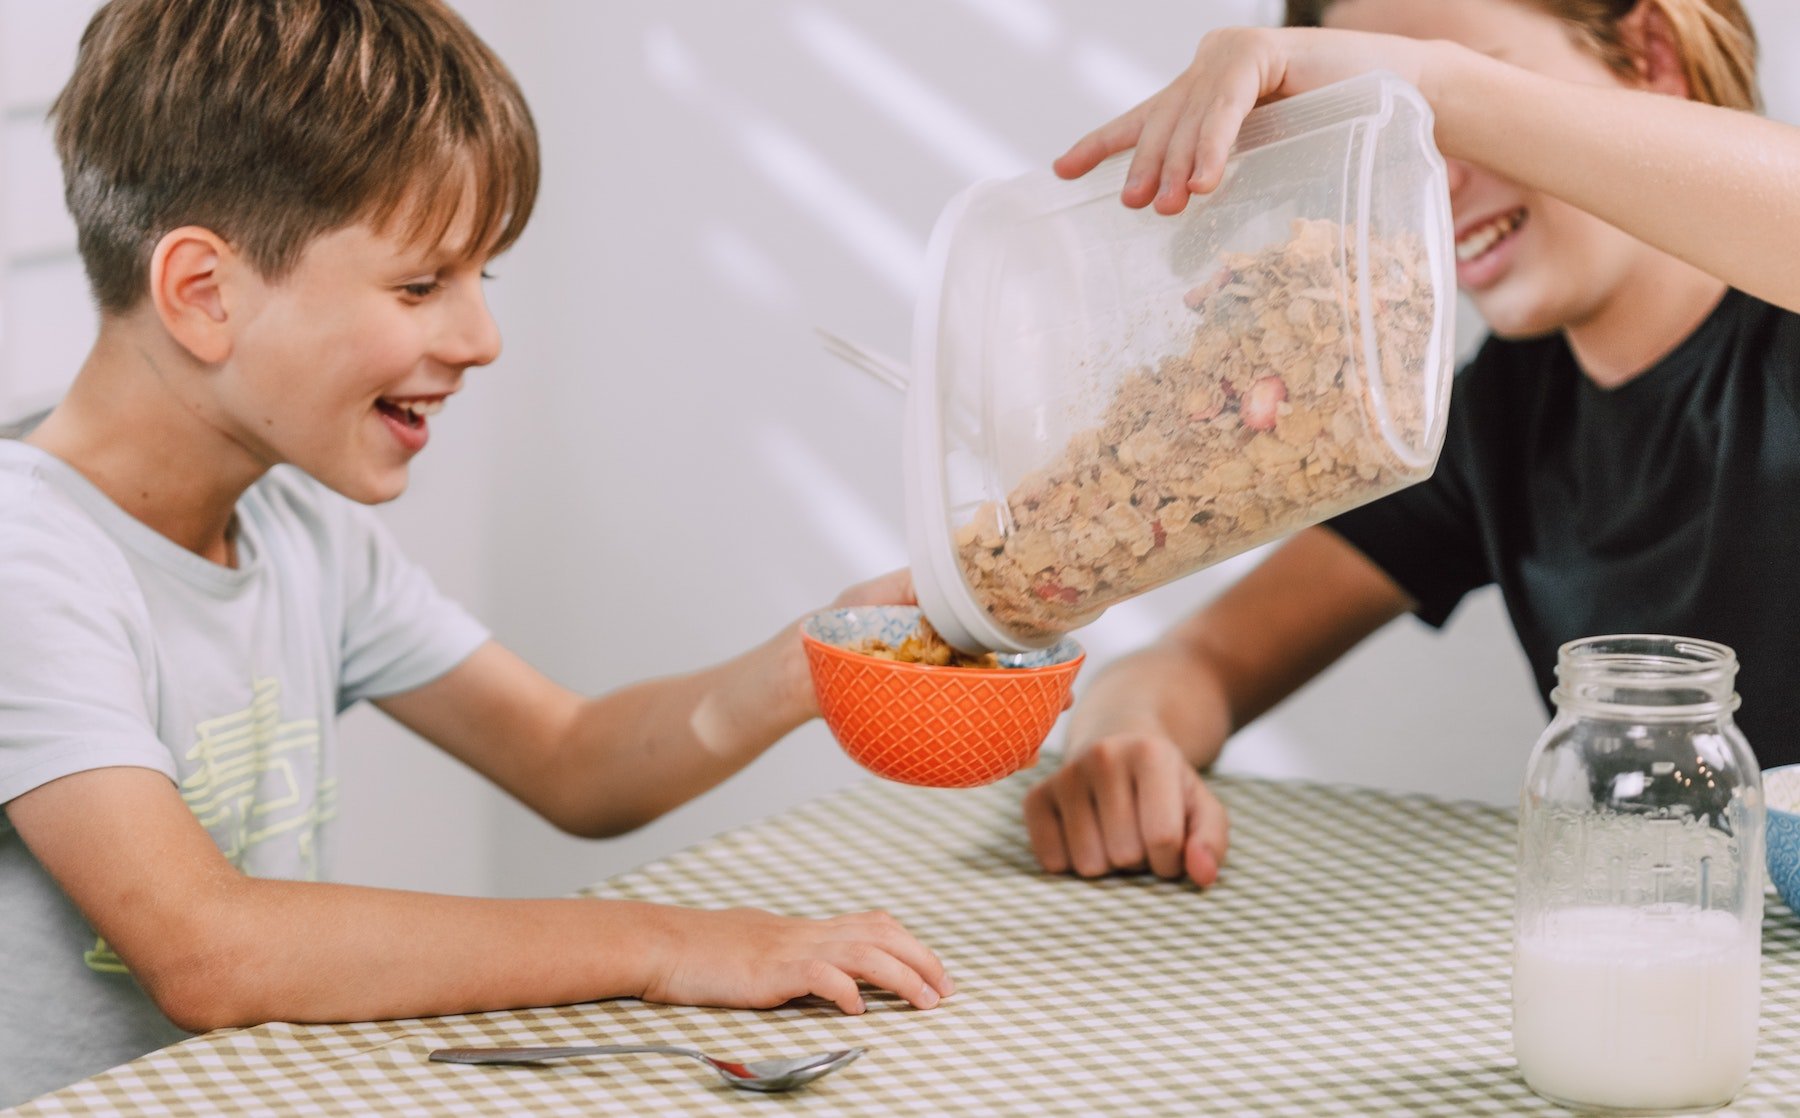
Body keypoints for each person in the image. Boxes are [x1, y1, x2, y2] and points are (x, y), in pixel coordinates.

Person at [0, 0, 952, 1106]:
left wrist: (816, 655)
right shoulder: (28, 562)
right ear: (204, 294)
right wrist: (667, 944)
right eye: (420, 285)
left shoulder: (303, 533)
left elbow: (575, 758)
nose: (480, 339)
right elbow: (210, 948)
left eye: (480, 280)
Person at [1022, 0, 1800, 886]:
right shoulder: (1494, 415)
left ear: (1652, 50)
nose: (1429, 177)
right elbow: (1202, 662)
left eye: (1453, 102)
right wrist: (1128, 744)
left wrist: (1427, 82)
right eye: (1386, 131)